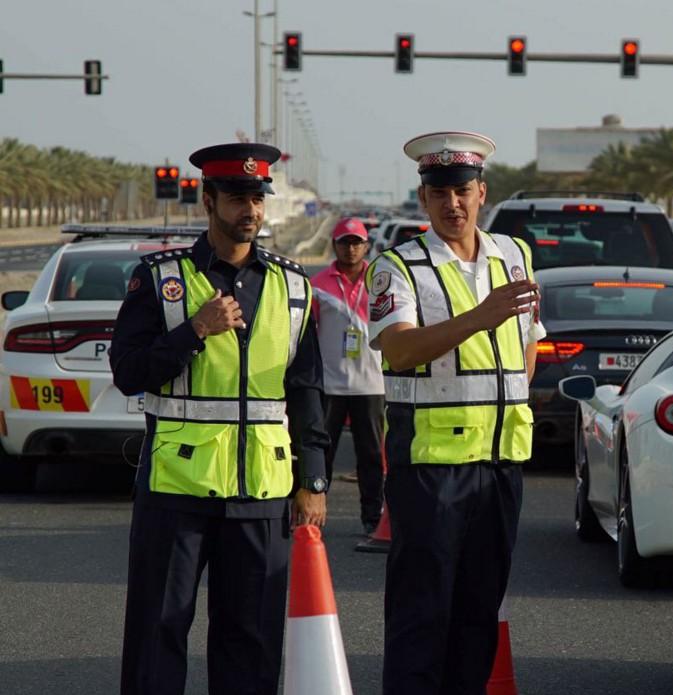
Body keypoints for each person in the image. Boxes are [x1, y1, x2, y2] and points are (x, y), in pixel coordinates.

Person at [111, 142, 329, 695]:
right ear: (207, 201)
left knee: (252, 640)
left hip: (261, 491)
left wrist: (315, 480)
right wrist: (194, 331)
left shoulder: (293, 285)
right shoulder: (160, 279)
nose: (250, 211)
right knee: (157, 633)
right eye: (237, 198)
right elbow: (129, 372)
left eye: (257, 198)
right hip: (176, 488)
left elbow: (305, 391)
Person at [368, 131, 545, 695]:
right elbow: (398, 350)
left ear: (482, 193)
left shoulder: (514, 255)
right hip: (430, 469)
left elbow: (530, 339)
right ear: (422, 199)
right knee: (422, 619)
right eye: (439, 192)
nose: (452, 203)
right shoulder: (396, 267)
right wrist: (479, 316)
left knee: (477, 616)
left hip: (499, 467)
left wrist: (510, 388)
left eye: (462, 191)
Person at [311, 217, 385, 534]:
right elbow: (309, 333)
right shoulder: (317, 283)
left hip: (371, 384)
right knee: (320, 453)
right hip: (330, 383)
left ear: (366, 246)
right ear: (335, 244)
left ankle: (372, 518)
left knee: (370, 456)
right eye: (345, 242)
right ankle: (314, 515)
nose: (351, 248)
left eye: (357, 242)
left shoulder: (382, 280)